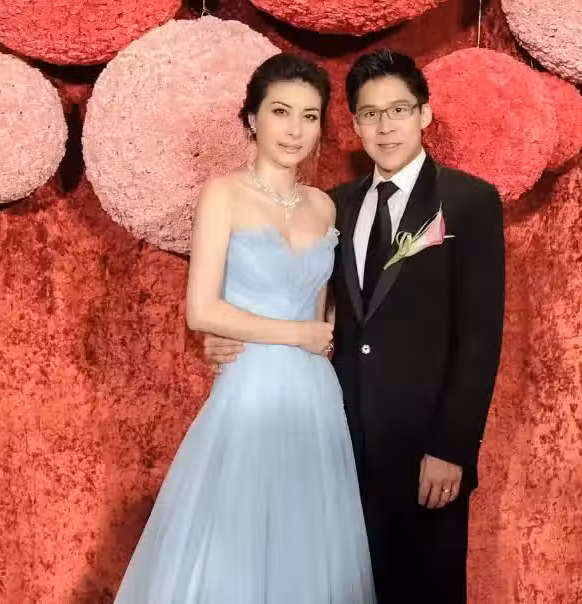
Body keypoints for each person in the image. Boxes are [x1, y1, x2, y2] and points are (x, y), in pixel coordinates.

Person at [206, 49, 505, 604]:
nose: (385, 126)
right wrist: (230, 333)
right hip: (336, 442)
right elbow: (311, 302)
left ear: (424, 113)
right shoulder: (333, 207)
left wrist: (452, 447)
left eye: (398, 110)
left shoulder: (468, 202)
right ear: (355, 124)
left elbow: (480, 338)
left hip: (424, 450)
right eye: (370, 114)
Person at [114, 53, 375, 603]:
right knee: (236, 544)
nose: (295, 129)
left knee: (307, 547)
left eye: (309, 116)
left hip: (315, 396)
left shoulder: (324, 208)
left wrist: (318, 330)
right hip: (250, 389)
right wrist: (297, 335)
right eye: (281, 111)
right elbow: (202, 310)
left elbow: (321, 307)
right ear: (253, 118)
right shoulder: (223, 195)